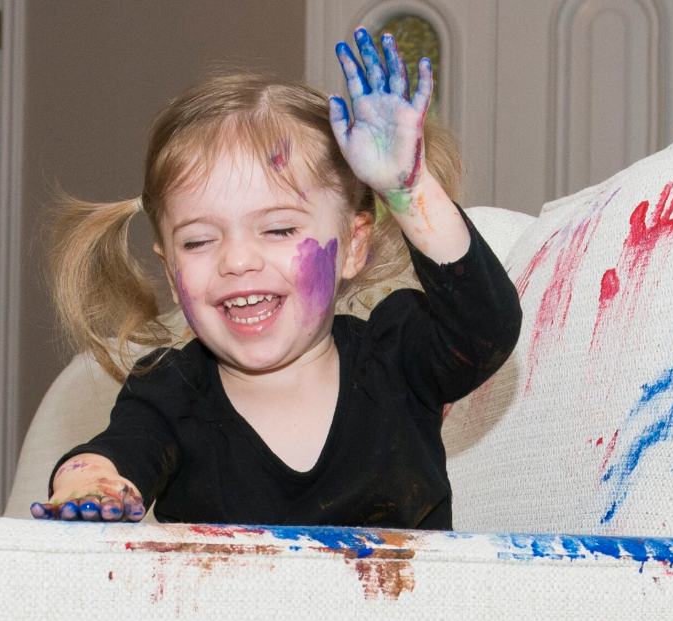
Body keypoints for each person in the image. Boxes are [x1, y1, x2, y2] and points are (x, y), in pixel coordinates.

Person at [29, 27, 521, 530]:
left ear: (354, 245)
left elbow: (486, 327)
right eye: (198, 241)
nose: (237, 260)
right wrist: (89, 482)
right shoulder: (170, 392)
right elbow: (113, 455)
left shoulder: (396, 354)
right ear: (172, 274)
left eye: (279, 229)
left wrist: (409, 192)